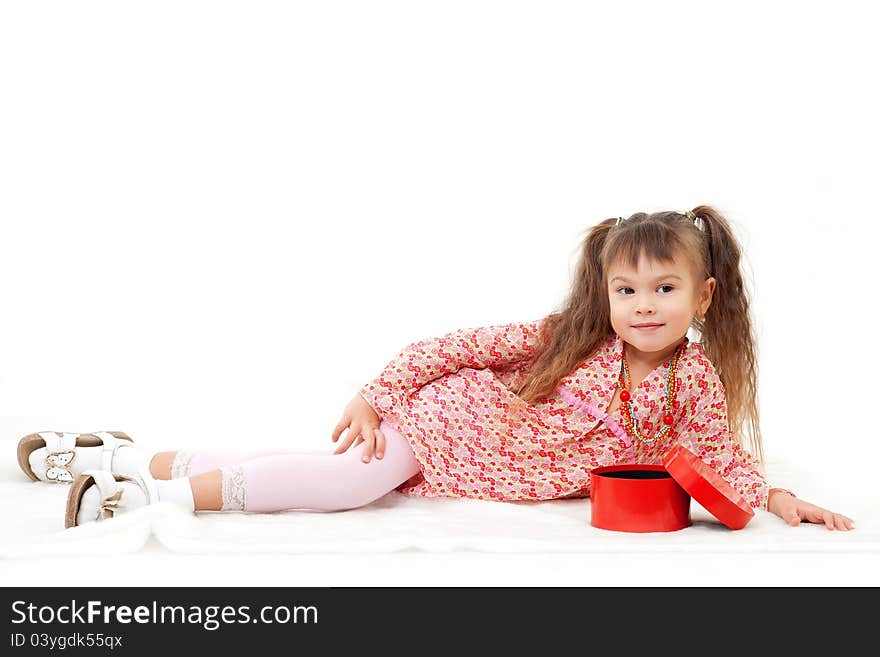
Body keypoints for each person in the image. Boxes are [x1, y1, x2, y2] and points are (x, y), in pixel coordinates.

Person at [17, 205, 855, 531]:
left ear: (701, 297)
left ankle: (113, 456)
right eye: (627, 286)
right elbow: (456, 347)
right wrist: (377, 392)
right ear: (605, 288)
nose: (643, 304)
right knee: (343, 485)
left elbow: (725, 453)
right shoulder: (571, 334)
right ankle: (153, 498)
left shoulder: (694, 384)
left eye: (664, 288)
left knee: (312, 470)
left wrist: (778, 497)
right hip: (449, 422)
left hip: (476, 466)